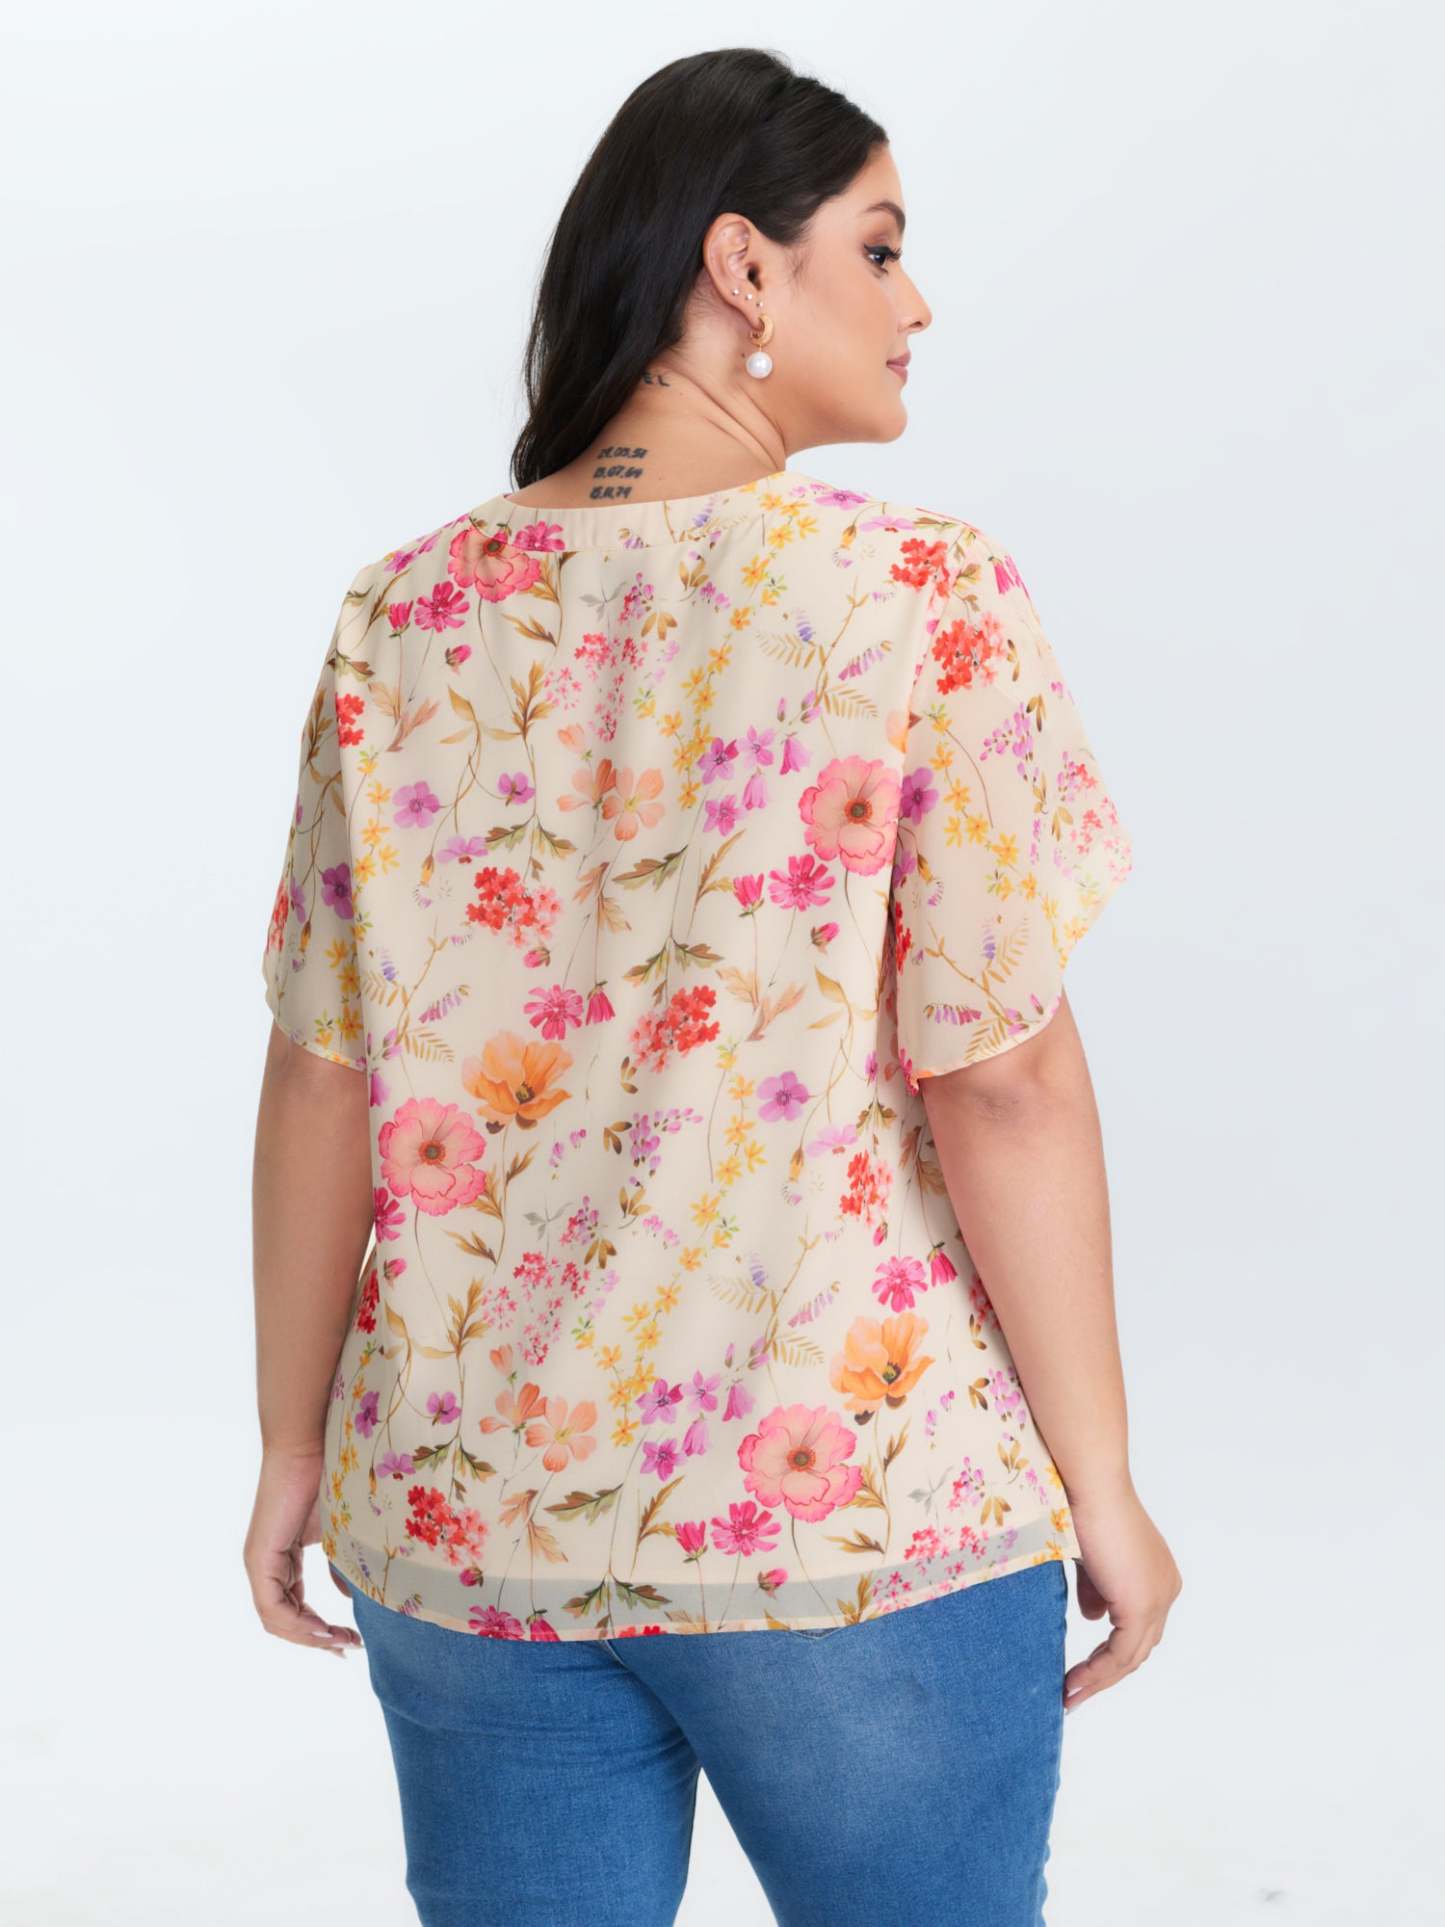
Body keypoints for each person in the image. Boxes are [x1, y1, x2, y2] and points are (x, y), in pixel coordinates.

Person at [245, 45, 1181, 1927]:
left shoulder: (403, 614)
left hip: (468, 1517)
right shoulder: (915, 596)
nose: (916, 304)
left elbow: (324, 1073)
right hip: (853, 1518)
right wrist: (1102, 1481)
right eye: (881, 247)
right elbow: (998, 1077)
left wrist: (289, 1450)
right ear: (744, 265)